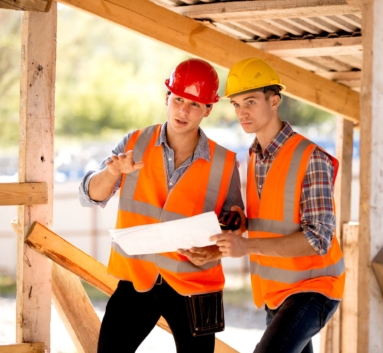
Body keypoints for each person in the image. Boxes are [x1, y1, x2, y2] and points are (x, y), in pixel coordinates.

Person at [79, 58, 244, 353]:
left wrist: (214, 250)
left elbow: (236, 224)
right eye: (178, 99)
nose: (183, 110)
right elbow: (90, 195)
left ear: (208, 108)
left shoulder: (225, 163)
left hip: (196, 285)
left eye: (194, 104)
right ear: (166, 97)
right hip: (137, 280)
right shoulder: (134, 143)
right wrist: (113, 172)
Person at [211, 57, 345, 353]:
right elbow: (274, 218)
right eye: (235, 104)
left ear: (275, 100)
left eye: (250, 101)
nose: (241, 112)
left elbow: (318, 239)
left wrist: (245, 247)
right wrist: (243, 222)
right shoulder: (255, 156)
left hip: (314, 288)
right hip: (275, 290)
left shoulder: (311, 158)